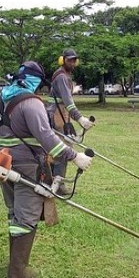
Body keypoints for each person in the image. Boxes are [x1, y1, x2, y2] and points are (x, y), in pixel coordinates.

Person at [0, 61, 93, 278]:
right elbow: (47, 138)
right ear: (36, 81)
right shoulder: (30, 103)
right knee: (27, 216)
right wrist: (75, 156)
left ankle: (14, 261)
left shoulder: (2, 98)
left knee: (14, 212)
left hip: (2, 162)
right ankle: (18, 272)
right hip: (27, 164)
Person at [46, 49, 94, 195]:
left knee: (60, 148)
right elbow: (67, 102)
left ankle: (51, 181)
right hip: (56, 114)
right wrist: (80, 118)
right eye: (69, 60)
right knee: (62, 149)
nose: (72, 63)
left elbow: (66, 100)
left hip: (61, 114)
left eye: (74, 60)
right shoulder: (61, 76)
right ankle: (58, 185)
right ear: (63, 60)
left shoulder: (65, 76)